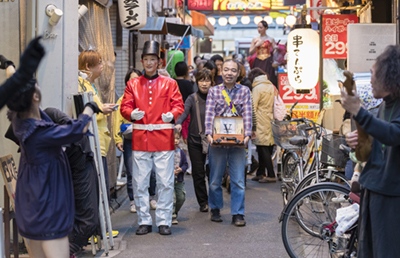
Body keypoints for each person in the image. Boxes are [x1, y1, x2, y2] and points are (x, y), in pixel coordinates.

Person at [6, 78, 100, 258]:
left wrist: (9, 67)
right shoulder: (42, 133)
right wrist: (89, 107)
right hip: (48, 210)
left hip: (31, 207)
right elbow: (77, 129)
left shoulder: (19, 122)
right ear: (35, 97)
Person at [341, 45, 400, 258]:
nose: (370, 80)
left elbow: (394, 134)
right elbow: (375, 147)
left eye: (374, 74)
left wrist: (359, 111)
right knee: (369, 250)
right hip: (374, 190)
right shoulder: (383, 106)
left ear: (390, 76)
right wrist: (359, 140)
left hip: (392, 196)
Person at [120, 40, 184, 236]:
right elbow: (124, 107)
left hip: (163, 138)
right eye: (146, 59)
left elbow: (178, 105)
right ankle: (144, 220)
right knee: (140, 182)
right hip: (141, 139)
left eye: (153, 59)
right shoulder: (132, 84)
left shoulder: (170, 83)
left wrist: (172, 115)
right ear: (141, 61)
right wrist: (131, 114)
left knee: (165, 182)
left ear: (159, 62)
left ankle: (164, 221)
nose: (149, 63)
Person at [205, 59, 252, 227]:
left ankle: (238, 214)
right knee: (215, 179)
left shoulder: (245, 91)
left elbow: (247, 114)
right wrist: (209, 135)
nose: (229, 73)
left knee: (238, 180)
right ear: (221, 71)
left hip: (238, 143)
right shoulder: (213, 91)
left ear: (238, 73)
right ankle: (215, 208)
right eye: (226, 70)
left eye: (233, 70)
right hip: (217, 143)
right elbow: (209, 114)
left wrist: (247, 136)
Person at [114, 68, 158, 213]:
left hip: (148, 138)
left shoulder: (148, 98)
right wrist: (117, 138)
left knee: (151, 171)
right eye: (131, 79)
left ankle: (151, 196)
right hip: (129, 139)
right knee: (131, 172)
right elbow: (117, 120)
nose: (134, 82)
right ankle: (133, 200)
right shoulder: (122, 100)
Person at [78, 50, 116, 207]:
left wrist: (101, 107)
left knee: (101, 185)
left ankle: (102, 229)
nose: (102, 66)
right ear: (88, 66)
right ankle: (99, 229)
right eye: (99, 63)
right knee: (98, 186)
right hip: (93, 143)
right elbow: (86, 111)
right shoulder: (82, 86)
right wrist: (102, 110)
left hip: (99, 142)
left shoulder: (89, 85)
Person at [176, 68, 213, 212]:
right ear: (197, 81)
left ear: (212, 82)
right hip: (195, 140)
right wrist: (178, 123)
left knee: (213, 173)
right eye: (201, 80)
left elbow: (229, 110)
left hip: (213, 142)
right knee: (198, 173)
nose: (204, 83)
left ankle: (214, 201)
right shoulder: (192, 98)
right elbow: (184, 113)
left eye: (207, 80)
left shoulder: (216, 96)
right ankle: (203, 202)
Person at [0, 37, 45, 110]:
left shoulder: (16, 114)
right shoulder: (51, 114)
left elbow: (9, 91)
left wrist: (9, 66)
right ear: (35, 97)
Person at [248, 68, 276, 183]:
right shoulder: (271, 86)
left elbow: (252, 106)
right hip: (270, 118)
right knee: (265, 146)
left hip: (259, 119)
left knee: (262, 147)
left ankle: (271, 174)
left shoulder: (257, 88)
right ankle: (260, 173)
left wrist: (250, 123)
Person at [249, 21, 277, 86]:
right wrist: (256, 46)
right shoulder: (255, 39)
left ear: (266, 28)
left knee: (268, 77)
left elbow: (274, 53)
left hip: (268, 61)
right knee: (257, 77)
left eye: (261, 27)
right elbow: (250, 52)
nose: (259, 29)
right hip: (258, 60)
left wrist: (276, 48)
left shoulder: (271, 39)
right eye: (258, 27)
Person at [172, 129, 188, 225]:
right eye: (173, 138)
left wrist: (181, 169)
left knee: (181, 197)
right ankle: (172, 215)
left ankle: (175, 211)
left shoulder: (181, 152)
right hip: (170, 180)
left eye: (178, 138)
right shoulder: (167, 152)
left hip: (179, 180)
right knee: (172, 198)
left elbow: (186, 164)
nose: (176, 140)